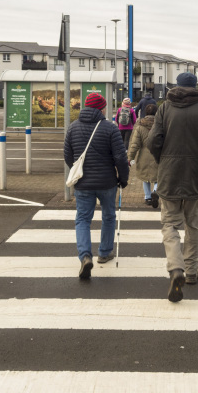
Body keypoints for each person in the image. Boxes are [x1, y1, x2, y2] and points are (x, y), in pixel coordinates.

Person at [147, 72, 198, 302]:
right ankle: (191, 270)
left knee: (169, 224)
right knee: (193, 223)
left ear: (176, 86)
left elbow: (152, 141)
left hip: (169, 173)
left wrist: (164, 159)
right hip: (195, 174)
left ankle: (175, 267)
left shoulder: (165, 107)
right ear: (195, 86)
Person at [64, 92, 129, 279]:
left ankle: (85, 256)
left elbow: (68, 155)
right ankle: (104, 252)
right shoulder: (110, 128)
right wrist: (123, 179)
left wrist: (78, 171)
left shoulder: (73, 127)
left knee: (82, 219)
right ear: (101, 108)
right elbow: (120, 157)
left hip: (83, 182)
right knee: (109, 216)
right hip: (107, 181)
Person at [128, 103, 160, 208]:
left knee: (145, 177)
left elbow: (135, 144)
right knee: (158, 177)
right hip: (158, 155)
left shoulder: (140, 126)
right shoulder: (161, 124)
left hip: (143, 156)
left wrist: (130, 158)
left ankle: (147, 197)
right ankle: (155, 191)